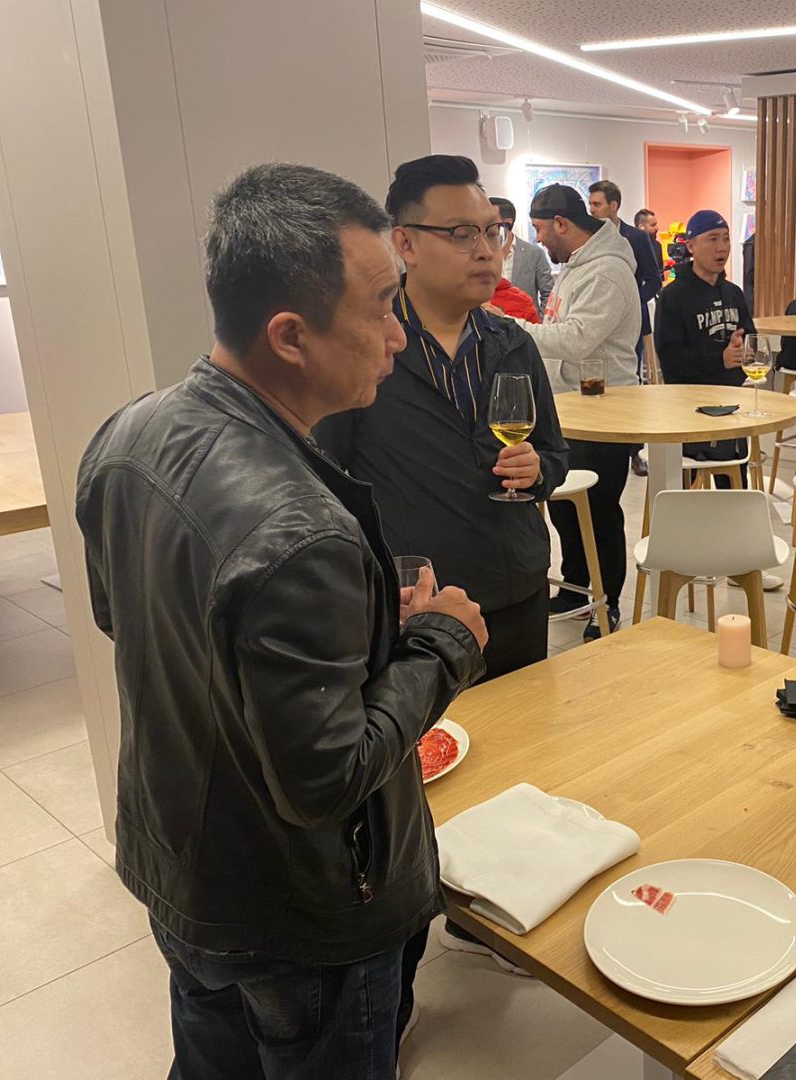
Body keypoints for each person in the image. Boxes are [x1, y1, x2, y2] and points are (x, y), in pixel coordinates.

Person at [75, 162, 489, 1080]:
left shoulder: (128, 434)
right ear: (290, 335)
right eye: (382, 307)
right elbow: (325, 776)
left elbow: (132, 623)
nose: (396, 336)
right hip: (297, 918)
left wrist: (346, 642)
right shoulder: (298, 531)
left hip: (178, 862)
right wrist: (443, 640)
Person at [315, 153, 566, 1037]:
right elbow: (331, 477)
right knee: (419, 779)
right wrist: (384, 581)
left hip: (515, 584)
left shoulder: (512, 344)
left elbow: (559, 456)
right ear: (407, 244)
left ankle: (493, 912)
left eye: (493, 231)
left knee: (519, 767)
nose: (487, 251)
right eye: (461, 234)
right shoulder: (376, 346)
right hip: (421, 613)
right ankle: (408, 955)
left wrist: (541, 471)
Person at [512, 183, 641, 639]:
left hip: (607, 413)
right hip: (572, 408)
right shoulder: (577, 266)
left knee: (600, 510)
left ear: (562, 224)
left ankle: (606, 603)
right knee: (567, 508)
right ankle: (575, 587)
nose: (540, 241)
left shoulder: (606, 272)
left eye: (542, 230)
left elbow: (577, 338)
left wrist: (513, 328)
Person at [654, 208, 755, 485]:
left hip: (731, 403)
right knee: (686, 493)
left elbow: (751, 337)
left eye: (725, 238)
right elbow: (670, 359)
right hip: (689, 406)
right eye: (712, 239)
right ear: (691, 246)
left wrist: (746, 350)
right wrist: (718, 359)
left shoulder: (734, 293)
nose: (722, 247)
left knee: (733, 487)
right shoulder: (672, 296)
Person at [590, 180, 662, 477]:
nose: (591, 210)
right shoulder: (589, 237)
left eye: (597, 204)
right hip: (595, 323)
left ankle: (633, 452)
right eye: (590, 204)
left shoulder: (635, 238)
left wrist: (629, 302)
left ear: (614, 206)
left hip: (630, 325)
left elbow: (653, 279)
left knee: (630, 385)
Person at [489, 195, 553, 314]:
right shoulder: (482, 255)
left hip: (526, 326)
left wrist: (539, 324)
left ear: (507, 223)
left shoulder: (534, 253)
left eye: (490, 221)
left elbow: (548, 294)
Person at [634, 207, 663, 275]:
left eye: (656, 224)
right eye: (653, 225)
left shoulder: (657, 246)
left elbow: (660, 275)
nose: (657, 228)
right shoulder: (630, 246)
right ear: (641, 228)